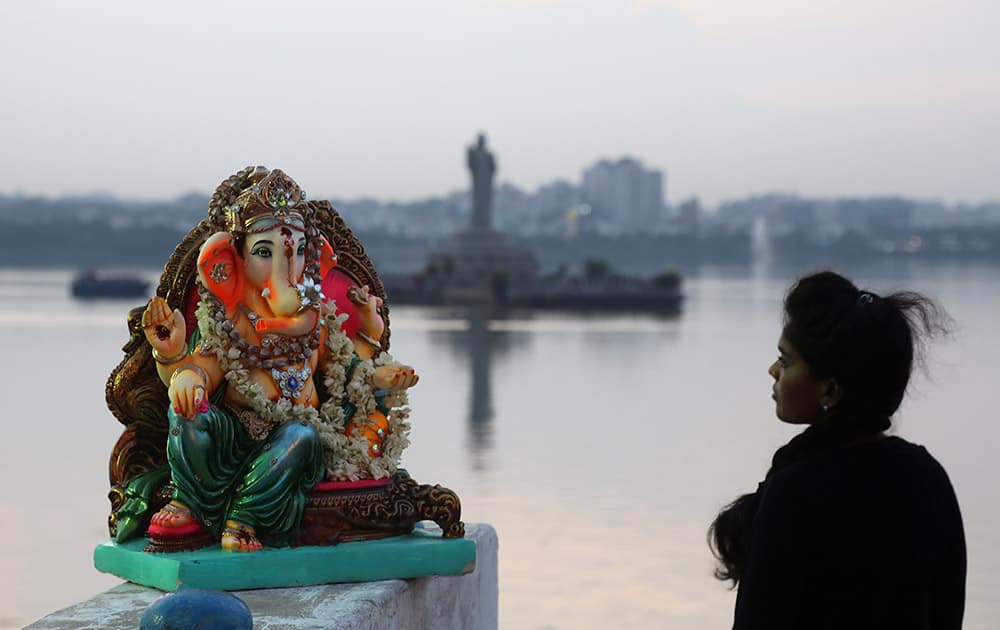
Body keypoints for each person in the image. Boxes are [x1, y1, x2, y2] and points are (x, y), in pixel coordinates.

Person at [709, 270, 966, 629]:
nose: (773, 371)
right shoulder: (927, 475)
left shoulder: (795, 491)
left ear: (830, 391)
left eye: (785, 362)